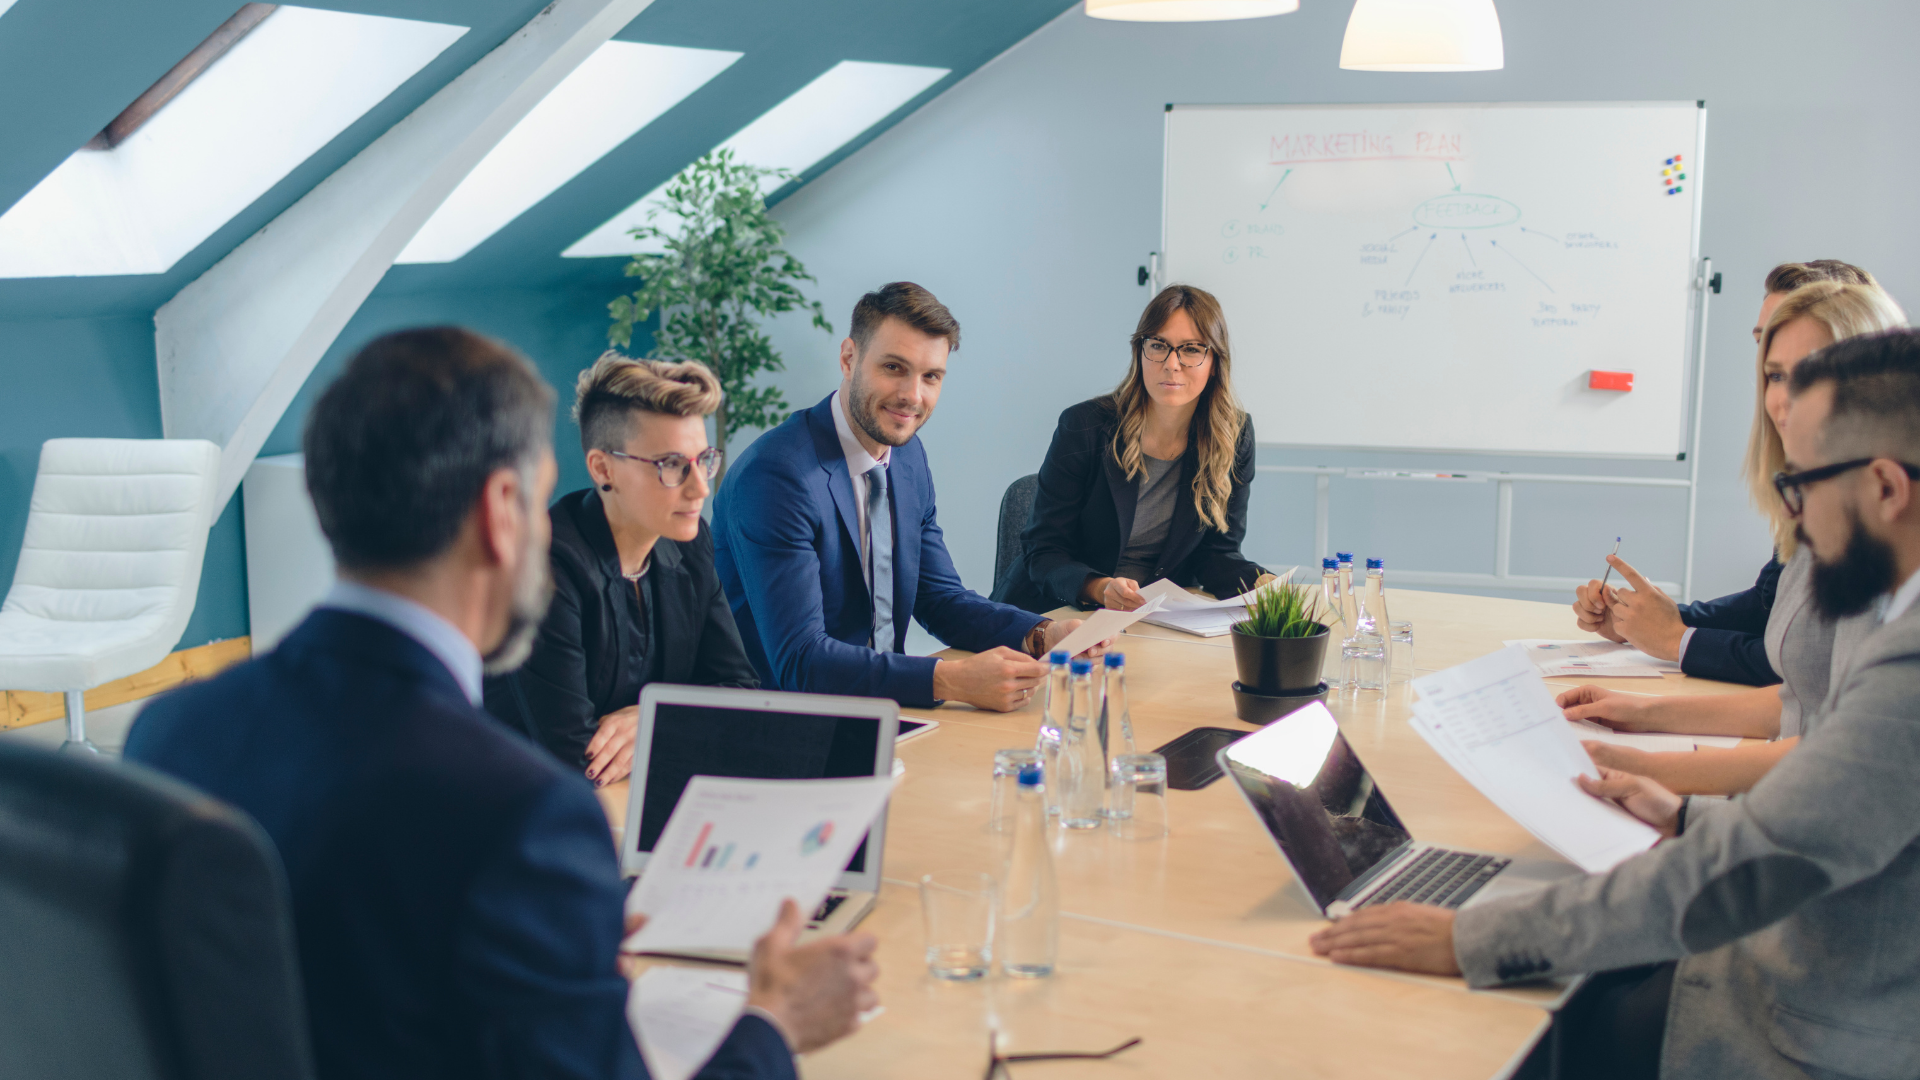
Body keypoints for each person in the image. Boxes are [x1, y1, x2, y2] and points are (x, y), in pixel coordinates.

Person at [125, 328, 877, 1080]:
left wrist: (550, 955)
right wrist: (774, 1024)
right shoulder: (529, 820)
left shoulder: (166, 734)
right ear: (500, 511)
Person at [1310, 328, 1920, 1080]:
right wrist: (1685, 816)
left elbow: (1753, 867)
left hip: (1810, 1024)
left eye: (1802, 488)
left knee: (1497, 1033)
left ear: (1886, 488)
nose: (1795, 522)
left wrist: (1468, 940)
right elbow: (1833, 822)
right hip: (1795, 963)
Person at [1561, 281, 1905, 796]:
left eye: (1810, 374)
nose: (1784, 398)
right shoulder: (1814, 522)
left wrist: (1652, 775)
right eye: (1774, 373)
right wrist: (1641, 711)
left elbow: (1844, 755)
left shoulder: (1881, 544)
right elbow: (1797, 699)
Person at [713, 282, 1090, 711]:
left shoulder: (906, 456)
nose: (913, 395)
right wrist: (948, 680)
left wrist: (1041, 634)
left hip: (881, 707)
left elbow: (940, 598)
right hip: (783, 720)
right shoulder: (777, 476)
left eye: (931, 376)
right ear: (848, 359)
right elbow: (801, 661)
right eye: (894, 367)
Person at [1572, 260, 1883, 687]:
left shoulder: (1877, 502)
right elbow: (1769, 606)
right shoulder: (1809, 481)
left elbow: (1801, 669)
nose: (1778, 389)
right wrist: (1645, 620)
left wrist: (1675, 639)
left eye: (1806, 361)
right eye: (1767, 351)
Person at [484, 354, 757, 788]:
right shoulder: (545, 567)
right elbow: (575, 755)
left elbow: (742, 695)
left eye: (704, 459)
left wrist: (655, 718)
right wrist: (682, 722)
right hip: (525, 801)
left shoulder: (690, 545)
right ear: (602, 468)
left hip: (642, 790)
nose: (701, 488)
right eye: (672, 464)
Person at [995, 284, 1274, 614]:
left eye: (1191, 349)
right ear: (1139, 352)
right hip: (1056, 611)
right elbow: (1043, 550)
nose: (1172, 363)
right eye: (1158, 345)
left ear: (1215, 361)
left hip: (1154, 617)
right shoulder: (1084, 427)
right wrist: (1099, 588)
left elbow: (1217, 554)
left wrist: (1262, 583)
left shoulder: (1233, 435)